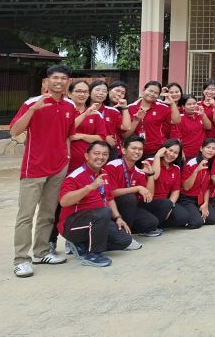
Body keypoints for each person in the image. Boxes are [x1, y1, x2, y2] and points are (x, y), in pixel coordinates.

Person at [10, 64, 77, 277]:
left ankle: (40, 252)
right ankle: (21, 259)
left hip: (58, 167)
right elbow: (14, 131)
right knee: (26, 215)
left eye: (63, 78)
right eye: (55, 77)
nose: (59, 81)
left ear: (68, 82)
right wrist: (32, 110)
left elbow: (68, 135)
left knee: (48, 214)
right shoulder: (31, 103)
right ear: (46, 82)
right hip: (34, 168)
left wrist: (66, 157)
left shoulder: (70, 105)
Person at [58, 141, 136, 269]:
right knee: (104, 212)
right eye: (96, 153)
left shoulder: (104, 173)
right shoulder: (75, 176)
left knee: (125, 240)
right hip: (72, 225)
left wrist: (118, 217)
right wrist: (89, 187)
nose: (101, 157)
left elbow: (109, 198)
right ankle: (93, 255)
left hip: (97, 221)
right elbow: (64, 201)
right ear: (87, 156)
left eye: (105, 154)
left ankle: (82, 245)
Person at [105, 136, 162, 236]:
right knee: (129, 198)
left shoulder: (138, 171)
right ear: (124, 150)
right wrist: (136, 188)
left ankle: (125, 229)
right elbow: (110, 193)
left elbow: (149, 196)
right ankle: (123, 235)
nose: (137, 151)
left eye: (140, 149)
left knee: (152, 223)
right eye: (133, 148)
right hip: (111, 206)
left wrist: (151, 175)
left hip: (129, 207)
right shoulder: (112, 165)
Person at [147, 139, 190, 228]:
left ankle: (158, 224)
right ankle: (151, 225)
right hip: (149, 201)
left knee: (184, 217)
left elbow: (175, 191)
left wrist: (169, 206)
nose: (171, 154)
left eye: (175, 153)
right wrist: (157, 156)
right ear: (163, 149)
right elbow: (154, 176)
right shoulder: (149, 162)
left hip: (165, 202)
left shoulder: (176, 168)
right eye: (170, 150)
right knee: (165, 206)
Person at [178, 138, 215, 228]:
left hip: (200, 199)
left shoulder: (211, 164)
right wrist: (196, 171)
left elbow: (208, 187)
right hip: (187, 199)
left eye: (213, 148)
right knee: (197, 223)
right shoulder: (191, 163)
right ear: (201, 149)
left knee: (213, 219)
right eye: (208, 147)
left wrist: (205, 203)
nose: (211, 150)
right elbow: (186, 187)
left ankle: (196, 213)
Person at [127, 81, 174, 156]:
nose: (152, 94)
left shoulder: (163, 108)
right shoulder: (130, 108)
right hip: (136, 149)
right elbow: (126, 132)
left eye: (156, 93)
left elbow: (173, 124)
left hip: (157, 149)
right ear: (144, 90)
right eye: (150, 91)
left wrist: (172, 103)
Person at [171, 94, 213, 160]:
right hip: (187, 154)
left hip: (202, 153)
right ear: (183, 106)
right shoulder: (179, 118)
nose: (192, 106)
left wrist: (203, 114)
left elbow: (208, 127)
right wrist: (181, 152)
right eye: (189, 104)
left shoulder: (200, 115)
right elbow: (176, 138)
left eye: (194, 103)